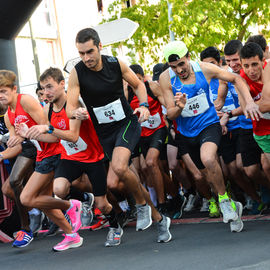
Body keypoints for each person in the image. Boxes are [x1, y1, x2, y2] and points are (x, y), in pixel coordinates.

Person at [66, 27, 171, 243]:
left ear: (99, 47)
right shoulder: (77, 72)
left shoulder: (115, 64)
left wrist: (143, 105)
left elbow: (139, 84)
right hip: (104, 132)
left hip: (126, 123)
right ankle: (160, 219)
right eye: (82, 53)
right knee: (116, 181)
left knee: (120, 167)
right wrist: (75, 112)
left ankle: (142, 206)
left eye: (90, 52)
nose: (86, 58)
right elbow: (69, 108)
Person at [158, 40, 258, 232]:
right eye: (174, 67)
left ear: (188, 57)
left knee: (209, 158)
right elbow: (170, 114)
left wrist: (249, 102)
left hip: (209, 124)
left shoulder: (205, 68)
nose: (179, 70)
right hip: (187, 132)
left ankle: (224, 200)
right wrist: (179, 107)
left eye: (181, 64)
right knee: (205, 176)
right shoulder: (165, 79)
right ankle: (232, 206)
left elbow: (236, 79)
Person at [24, 67, 123, 247]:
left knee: (103, 204)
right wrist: (31, 134)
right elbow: (54, 138)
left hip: (93, 157)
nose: (46, 92)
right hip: (70, 157)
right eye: (43, 88)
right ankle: (84, 199)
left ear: (62, 84)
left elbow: (72, 136)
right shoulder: (48, 109)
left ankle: (115, 226)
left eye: (49, 87)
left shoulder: (74, 105)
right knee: (59, 189)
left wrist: (48, 128)